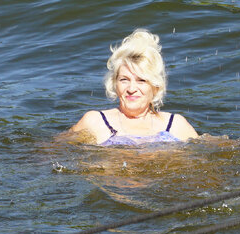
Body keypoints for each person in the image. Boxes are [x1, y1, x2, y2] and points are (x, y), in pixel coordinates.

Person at [67, 28, 199, 146]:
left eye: (141, 80)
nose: (131, 88)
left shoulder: (175, 124)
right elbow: (56, 149)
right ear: (114, 83)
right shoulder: (95, 121)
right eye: (124, 80)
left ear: (155, 86)